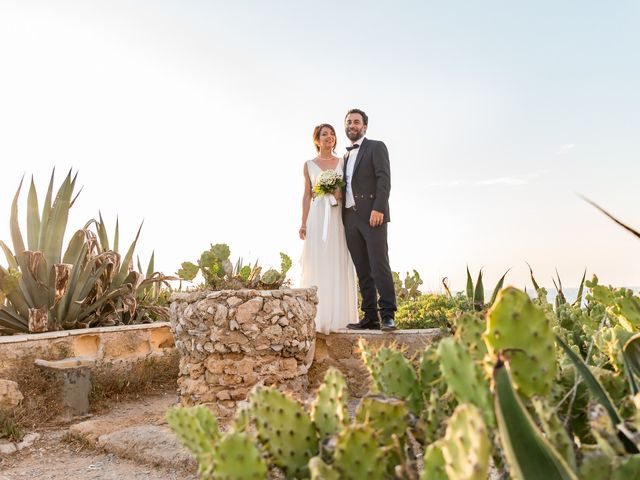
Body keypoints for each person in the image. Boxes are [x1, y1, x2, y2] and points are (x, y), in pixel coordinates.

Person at [299, 123, 359, 334]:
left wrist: (337, 193)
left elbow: (350, 187)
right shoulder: (308, 164)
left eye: (332, 134)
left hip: (337, 216)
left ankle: (340, 317)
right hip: (318, 215)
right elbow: (307, 195)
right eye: (325, 134)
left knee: (338, 258)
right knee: (318, 259)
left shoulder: (343, 161)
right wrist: (303, 223)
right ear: (317, 139)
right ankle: (318, 316)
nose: (330, 137)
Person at [342, 108, 397, 331]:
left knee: (379, 264)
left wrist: (379, 209)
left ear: (364, 126)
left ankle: (388, 315)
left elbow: (384, 179)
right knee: (362, 269)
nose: (352, 125)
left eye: (356, 122)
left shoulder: (376, 146)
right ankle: (370, 316)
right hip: (350, 217)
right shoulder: (344, 156)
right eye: (348, 122)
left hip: (373, 215)